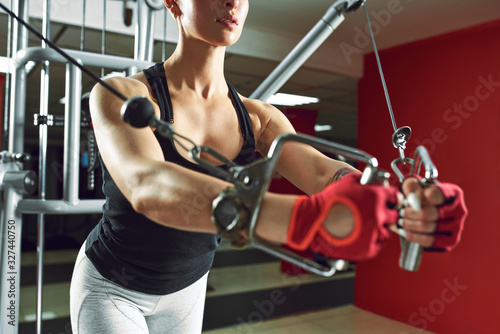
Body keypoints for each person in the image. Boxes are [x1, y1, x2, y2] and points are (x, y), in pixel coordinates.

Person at [69, 0, 467, 333]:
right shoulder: (121, 93)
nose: (233, 1)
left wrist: (402, 206)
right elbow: (147, 185)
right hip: (112, 287)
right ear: (172, 2)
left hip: (188, 289)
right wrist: (303, 220)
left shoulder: (259, 118)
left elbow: (323, 172)